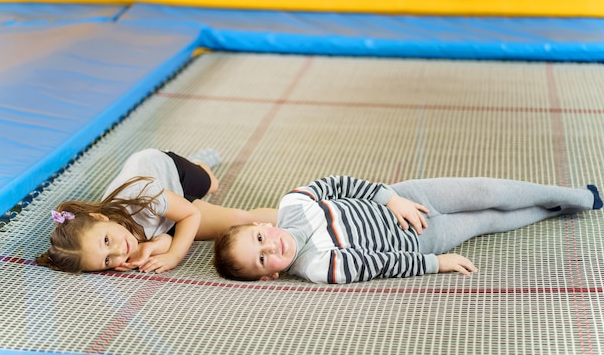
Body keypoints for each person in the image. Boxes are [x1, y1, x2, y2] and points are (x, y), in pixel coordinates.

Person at [213, 175, 602, 284]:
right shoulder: (319, 267)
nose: (270, 248)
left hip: (409, 198)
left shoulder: (292, 205)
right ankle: (553, 211)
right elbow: (380, 263)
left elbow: (339, 184)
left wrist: (391, 199)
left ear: (261, 224)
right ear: (272, 273)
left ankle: (577, 196)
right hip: (421, 239)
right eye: (262, 260)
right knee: (489, 221)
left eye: (260, 238)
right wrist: (436, 261)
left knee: (487, 190)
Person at [36, 148, 276, 274]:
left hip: (171, 173)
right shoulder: (122, 250)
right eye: (107, 261)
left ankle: (199, 162)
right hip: (164, 215)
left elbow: (191, 215)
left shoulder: (140, 193)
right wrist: (150, 248)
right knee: (239, 221)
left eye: (107, 240)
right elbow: (163, 237)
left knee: (212, 185)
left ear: (100, 217)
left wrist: (174, 257)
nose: (119, 251)